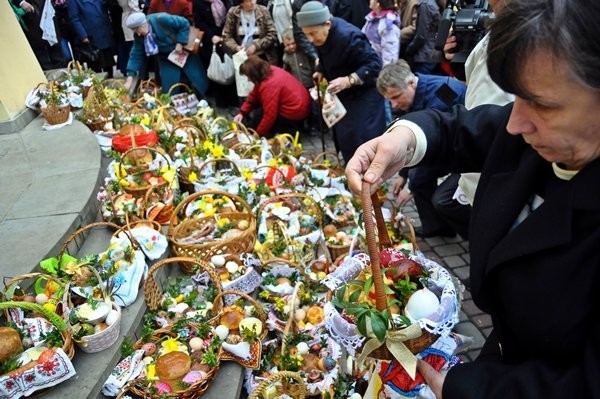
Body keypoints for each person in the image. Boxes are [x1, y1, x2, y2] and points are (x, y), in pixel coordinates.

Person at [346, 0, 600, 397]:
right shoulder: (539, 134)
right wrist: (404, 139)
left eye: (542, 104)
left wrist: (471, 390)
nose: (516, 122)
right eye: (515, 97)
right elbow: (465, 127)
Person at [430, 0, 513, 239]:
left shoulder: (544, 26)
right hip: (479, 159)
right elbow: (473, 76)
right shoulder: (497, 25)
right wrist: (457, 56)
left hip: (500, 166)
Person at [377, 59, 466, 237]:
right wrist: (403, 175)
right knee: (419, 181)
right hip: (448, 148)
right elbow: (414, 143)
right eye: (389, 100)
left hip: (466, 151)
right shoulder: (414, 94)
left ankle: (475, 233)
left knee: (441, 199)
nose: (393, 105)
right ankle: (436, 227)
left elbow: (433, 146)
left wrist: (411, 187)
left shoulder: (443, 93)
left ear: (411, 83)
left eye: (395, 97)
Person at [297, 1, 386, 162]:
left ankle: (371, 177)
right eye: (306, 34)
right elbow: (324, 58)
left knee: (361, 137)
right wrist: (320, 71)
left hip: (365, 92)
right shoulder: (320, 35)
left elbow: (374, 64)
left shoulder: (348, 35)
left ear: (328, 24)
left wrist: (348, 80)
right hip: (343, 94)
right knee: (345, 137)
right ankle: (351, 173)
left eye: (313, 33)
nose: (310, 39)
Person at [124, 12, 209, 96]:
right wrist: (130, 75)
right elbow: (136, 54)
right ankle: (173, 104)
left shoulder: (161, 19)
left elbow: (184, 23)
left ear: (144, 24)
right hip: (165, 58)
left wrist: (180, 42)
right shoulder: (139, 35)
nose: (138, 33)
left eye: (138, 30)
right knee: (169, 84)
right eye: (135, 31)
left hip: (183, 51)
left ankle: (203, 98)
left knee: (196, 78)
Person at [233, 55, 311, 136]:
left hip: (296, 110)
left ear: (254, 75)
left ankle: (289, 131)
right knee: (259, 113)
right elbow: (254, 95)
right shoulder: (268, 71)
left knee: (260, 115)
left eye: (248, 77)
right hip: (299, 104)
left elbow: (269, 116)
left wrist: (257, 135)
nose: (248, 80)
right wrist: (242, 112)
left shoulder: (269, 85)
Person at [13, 0, 67, 70]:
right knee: (42, 56)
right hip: (31, 14)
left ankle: (63, 76)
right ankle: (48, 78)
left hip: (48, 12)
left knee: (57, 53)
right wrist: (21, 2)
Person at [221, 0, 278, 64]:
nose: (253, 2)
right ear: (241, 3)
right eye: (248, 1)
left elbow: (272, 34)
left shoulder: (263, 10)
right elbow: (226, 36)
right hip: (243, 57)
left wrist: (256, 46)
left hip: (263, 56)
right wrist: (236, 47)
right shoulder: (233, 13)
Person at [68, 0, 115, 77]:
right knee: (95, 64)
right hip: (91, 37)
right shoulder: (73, 1)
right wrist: (83, 35)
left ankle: (110, 81)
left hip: (104, 33)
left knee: (108, 62)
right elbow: (74, 19)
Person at [402, 0, 439, 74]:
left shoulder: (425, 5)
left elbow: (421, 36)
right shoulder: (431, 3)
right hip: (430, 53)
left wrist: (409, 50)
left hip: (424, 56)